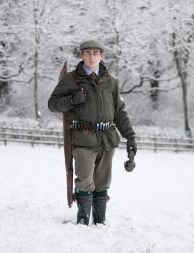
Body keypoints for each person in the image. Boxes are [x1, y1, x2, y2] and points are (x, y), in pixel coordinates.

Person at [48, 39, 137, 225]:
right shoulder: (72, 79)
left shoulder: (110, 81)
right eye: (87, 53)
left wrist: (130, 136)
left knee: (102, 182)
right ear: (82, 55)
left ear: (101, 56)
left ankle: (100, 221)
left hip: (107, 140)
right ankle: (82, 220)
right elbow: (53, 104)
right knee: (85, 181)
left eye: (95, 53)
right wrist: (72, 100)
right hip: (83, 140)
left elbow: (119, 111)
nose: (91, 57)